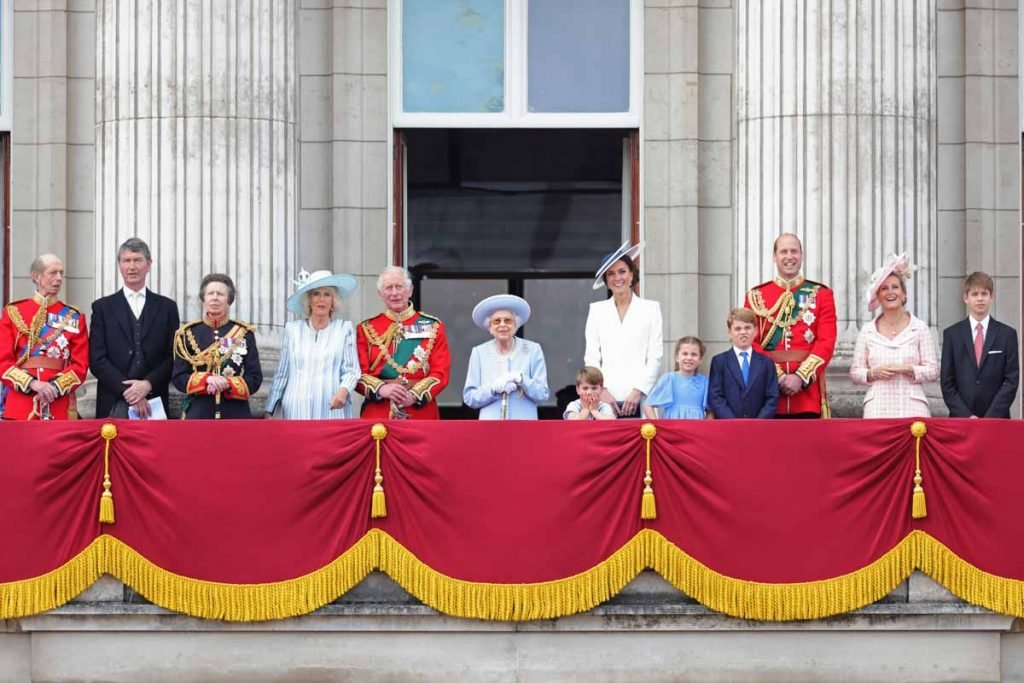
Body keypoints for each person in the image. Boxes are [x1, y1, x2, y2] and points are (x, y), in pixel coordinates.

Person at [745, 233, 837, 418]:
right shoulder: (756, 296)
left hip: (807, 394)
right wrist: (778, 377)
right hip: (769, 393)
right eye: (783, 251)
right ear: (774, 257)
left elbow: (826, 341)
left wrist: (801, 377)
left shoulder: (821, 294)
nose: (789, 257)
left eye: (794, 251)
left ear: (801, 255)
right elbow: (750, 342)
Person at [89, 238, 180, 419]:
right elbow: (97, 359)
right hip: (114, 401)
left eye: (137, 260)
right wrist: (131, 392)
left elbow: (174, 356)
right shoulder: (102, 308)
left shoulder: (167, 307)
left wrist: (147, 384)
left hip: (154, 401)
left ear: (149, 264)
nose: (132, 266)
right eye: (127, 261)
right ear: (120, 265)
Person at [849, 253, 939, 418]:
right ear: (878, 296)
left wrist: (908, 369)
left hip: (913, 408)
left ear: (904, 294)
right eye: (884, 288)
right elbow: (855, 372)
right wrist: (872, 373)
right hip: (877, 409)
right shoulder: (868, 330)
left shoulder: (919, 328)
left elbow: (933, 370)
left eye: (895, 287)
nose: (890, 292)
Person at [0, 254, 88, 420]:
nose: (59, 278)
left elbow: (81, 365)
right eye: (53, 273)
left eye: (61, 273)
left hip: (58, 402)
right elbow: (2, 361)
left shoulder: (74, 316)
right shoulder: (14, 312)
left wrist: (54, 387)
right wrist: (33, 384)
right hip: (21, 403)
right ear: (37, 277)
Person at [264, 269, 361, 420]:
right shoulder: (293, 329)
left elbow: (352, 371)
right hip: (296, 411)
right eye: (316, 294)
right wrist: (269, 410)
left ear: (333, 301)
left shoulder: (344, 329)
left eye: (327, 294)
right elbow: (282, 374)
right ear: (308, 300)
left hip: (332, 410)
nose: (321, 299)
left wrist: (343, 391)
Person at [356, 266, 450, 419]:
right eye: (388, 288)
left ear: (410, 291)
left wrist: (414, 395)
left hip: (420, 411)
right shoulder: (366, 328)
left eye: (399, 287)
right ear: (380, 294)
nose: (394, 293)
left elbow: (440, 373)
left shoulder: (433, 326)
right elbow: (357, 373)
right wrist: (382, 389)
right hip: (378, 411)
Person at [584, 240, 663, 417]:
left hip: (642, 396)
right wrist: (601, 390)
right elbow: (591, 356)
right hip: (605, 397)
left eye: (622, 271)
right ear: (606, 280)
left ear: (631, 274)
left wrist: (638, 391)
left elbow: (655, 356)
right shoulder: (597, 311)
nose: (617, 278)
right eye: (611, 274)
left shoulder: (651, 308)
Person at [172, 273, 262, 419]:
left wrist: (227, 383)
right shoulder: (187, 334)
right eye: (210, 293)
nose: (214, 297)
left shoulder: (244, 334)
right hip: (199, 413)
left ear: (229, 300)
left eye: (220, 294)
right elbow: (179, 377)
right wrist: (206, 379)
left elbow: (255, 378)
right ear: (203, 299)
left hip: (235, 414)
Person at [941, 272, 1019, 418]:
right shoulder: (952, 334)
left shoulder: (1007, 334)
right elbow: (947, 382)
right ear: (966, 298)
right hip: (961, 419)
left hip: (997, 419)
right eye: (974, 294)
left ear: (992, 297)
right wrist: (966, 415)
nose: (980, 299)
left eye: (984, 293)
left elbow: (1011, 380)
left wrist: (991, 416)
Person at [462, 294, 550, 420]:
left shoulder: (533, 350)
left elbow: (542, 394)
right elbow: (470, 398)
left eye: (508, 320)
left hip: (524, 427)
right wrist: (492, 389)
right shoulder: (479, 352)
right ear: (490, 327)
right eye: (497, 321)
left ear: (516, 325)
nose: (502, 325)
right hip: (490, 429)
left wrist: (521, 379)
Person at [708, 308, 779, 419]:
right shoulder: (719, 361)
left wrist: (759, 422)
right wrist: (732, 422)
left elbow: (772, 396)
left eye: (747, 328)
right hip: (728, 427)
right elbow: (716, 396)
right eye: (737, 329)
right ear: (730, 333)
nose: (743, 332)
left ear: (755, 331)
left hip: (759, 427)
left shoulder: (767, 363)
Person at [644, 336, 711, 419]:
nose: (689, 358)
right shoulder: (669, 379)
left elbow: (710, 411)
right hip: (672, 428)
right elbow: (648, 405)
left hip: (696, 429)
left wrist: (707, 428)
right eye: (685, 354)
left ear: (700, 359)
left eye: (694, 354)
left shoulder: (705, 382)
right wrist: (657, 427)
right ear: (677, 357)